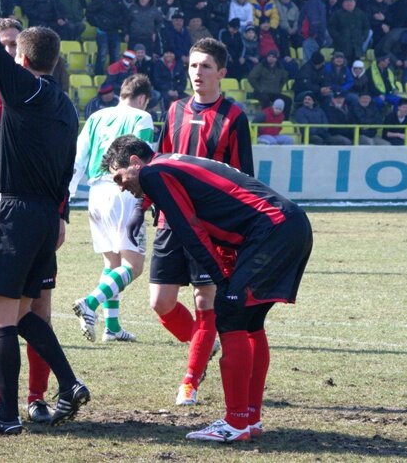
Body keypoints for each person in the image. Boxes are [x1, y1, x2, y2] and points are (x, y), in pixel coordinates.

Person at [103, 134, 312, 442]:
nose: (122, 186)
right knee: (250, 322)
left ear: (135, 162)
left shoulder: (153, 173)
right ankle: (249, 419)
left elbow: (189, 230)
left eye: (119, 177)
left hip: (271, 230)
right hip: (289, 225)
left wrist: (220, 277)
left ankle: (236, 422)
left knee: (229, 315)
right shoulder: (170, 163)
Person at [0, 0, 90, 435]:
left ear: (22, 60)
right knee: (23, 312)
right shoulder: (66, 106)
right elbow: (67, 170)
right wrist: (61, 215)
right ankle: (69, 383)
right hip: (45, 217)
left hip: (13, 211)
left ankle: (6, 416)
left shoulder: (25, 92)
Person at [150, 37, 253, 408]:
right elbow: (160, 161)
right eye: (193, 65)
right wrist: (148, 204)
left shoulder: (234, 117)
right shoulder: (174, 110)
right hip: (169, 221)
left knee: (203, 300)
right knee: (160, 302)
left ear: (221, 72)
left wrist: (238, 230)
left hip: (209, 227)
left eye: (206, 66)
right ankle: (204, 343)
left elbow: (243, 178)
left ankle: (190, 381)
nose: (198, 73)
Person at [0, 17, 56, 424]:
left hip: (35, 211)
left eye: (12, 45)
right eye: (0, 44)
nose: (6, 51)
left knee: (39, 303)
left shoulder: (43, 94)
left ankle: (37, 397)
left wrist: (60, 211)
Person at [69, 74, 154, 343]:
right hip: (124, 191)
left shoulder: (96, 117)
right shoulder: (142, 117)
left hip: (96, 193)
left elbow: (78, 156)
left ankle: (113, 327)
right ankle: (90, 302)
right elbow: (143, 160)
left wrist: (69, 192)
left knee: (112, 263)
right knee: (133, 265)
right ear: (143, 98)